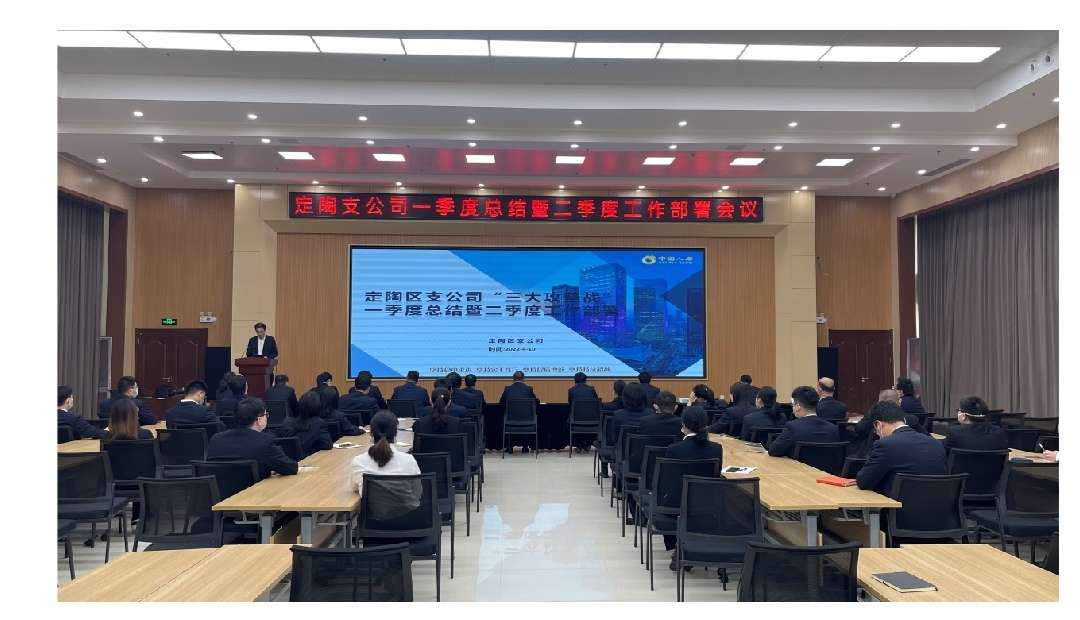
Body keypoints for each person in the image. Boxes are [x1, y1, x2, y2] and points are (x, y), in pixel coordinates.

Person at [663, 405, 723, 569]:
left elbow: (668, 480)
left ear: (684, 424)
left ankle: (679, 547)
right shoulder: (716, 449)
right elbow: (715, 477)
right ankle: (687, 547)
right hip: (706, 503)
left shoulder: (674, 449)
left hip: (676, 504)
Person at [856, 400, 947, 494]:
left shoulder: (885, 445)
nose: (878, 435)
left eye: (876, 431)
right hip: (938, 502)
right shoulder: (935, 443)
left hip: (899, 502)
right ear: (904, 420)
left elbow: (864, 481)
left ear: (878, 425)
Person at [207, 397, 297, 479]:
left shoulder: (216, 439)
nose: (267, 417)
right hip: (255, 491)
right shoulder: (265, 442)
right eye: (266, 414)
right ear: (259, 420)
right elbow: (291, 468)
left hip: (222, 491)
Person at [351, 411, 420, 490]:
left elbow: (354, 488)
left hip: (373, 498)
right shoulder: (409, 461)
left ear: (371, 434)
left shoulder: (359, 461)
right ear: (395, 434)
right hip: (404, 498)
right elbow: (417, 490)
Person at [767, 386, 839, 457]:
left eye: (793, 405)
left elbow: (773, 450)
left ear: (798, 406)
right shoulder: (834, 429)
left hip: (799, 465)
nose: (792, 409)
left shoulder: (792, 427)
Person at [270, 390, 332, 457]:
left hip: (285, 461)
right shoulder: (318, 423)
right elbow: (327, 445)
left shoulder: (287, 422)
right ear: (319, 407)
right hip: (307, 461)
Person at [942, 395, 1008, 452]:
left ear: (963, 416)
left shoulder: (954, 432)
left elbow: (943, 454)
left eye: (958, 410)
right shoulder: (999, 432)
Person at [500, 370, 541, 454]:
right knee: (527, 417)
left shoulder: (507, 389)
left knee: (505, 416)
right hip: (527, 421)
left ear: (513, 379)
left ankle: (509, 446)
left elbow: (501, 403)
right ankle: (525, 447)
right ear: (523, 379)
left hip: (510, 421)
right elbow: (535, 403)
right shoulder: (529, 389)